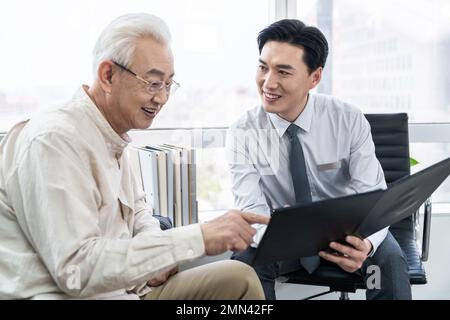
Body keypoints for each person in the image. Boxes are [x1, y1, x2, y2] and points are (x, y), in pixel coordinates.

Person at [0, 13, 268, 300]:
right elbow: (76, 270)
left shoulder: (112, 133)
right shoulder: (54, 140)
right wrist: (197, 238)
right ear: (108, 75)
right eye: (153, 83)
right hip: (74, 295)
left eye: (168, 85)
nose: (162, 98)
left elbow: (140, 211)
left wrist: (158, 259)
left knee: (238, 279)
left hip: (128, 288)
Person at [226, 19, 411, 300]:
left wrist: (365, 244)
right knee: (244, 267)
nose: (268, 82)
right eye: (263, 67)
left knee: (388, 263)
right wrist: (286, 238)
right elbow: (250, 207)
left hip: (347, 233)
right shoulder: (243, 131)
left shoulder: (347, 119)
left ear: (315, 77)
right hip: (281, 237)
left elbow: (372, 194)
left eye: (283, 72)